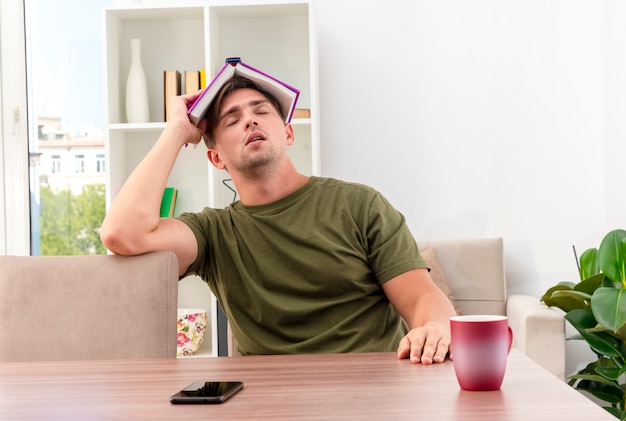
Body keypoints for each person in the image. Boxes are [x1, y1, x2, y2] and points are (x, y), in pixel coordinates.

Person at [100, 74, 457, 364]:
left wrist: (436, 327)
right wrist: (176, 132)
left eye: (260, 111)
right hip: (273, 402)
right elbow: (121, 233)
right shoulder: (213, 234)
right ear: (216, 158)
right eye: (232, 119)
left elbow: (422, 298)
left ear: (288, 133)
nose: (250, 120)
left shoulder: (360, 204)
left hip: (374, 391)